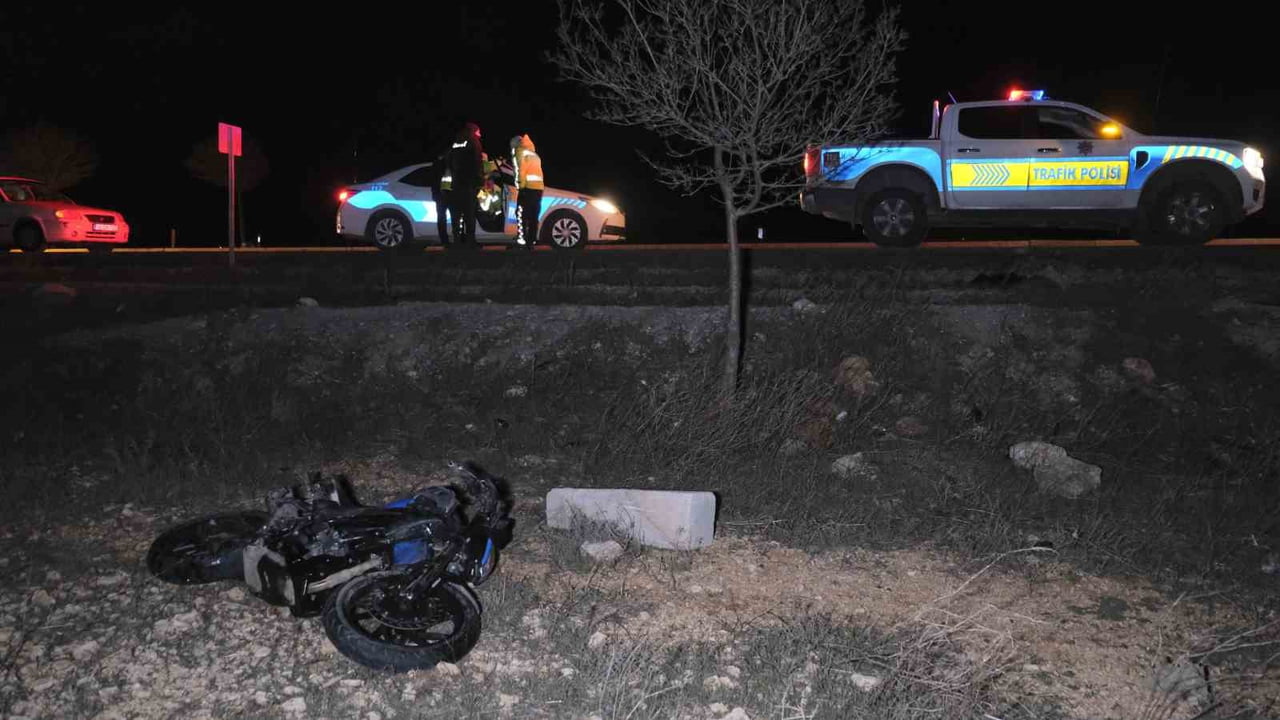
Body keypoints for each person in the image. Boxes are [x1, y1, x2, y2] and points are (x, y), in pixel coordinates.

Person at [446, 122, 484, 246]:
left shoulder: (456, 141)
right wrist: (479, 181)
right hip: (469, 183)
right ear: (474, 131)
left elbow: (449, 161)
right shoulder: (474, 142)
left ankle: (457, 239)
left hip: (456, 183)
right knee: (469, 213)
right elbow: (477, 163)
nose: (479, 135)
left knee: (456, 214)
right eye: (478, 132)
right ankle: (470, 241)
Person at [510, 133, 544, 247]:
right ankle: (531, 240)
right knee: (534, 216)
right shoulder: (534, 154)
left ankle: (522, 240)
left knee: (521, 214)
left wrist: (521, 187)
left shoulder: (520, 152)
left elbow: (521, 172)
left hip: (527, 188)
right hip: (538, 189)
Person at [431, 147, 452, 246]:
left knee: (443, 218)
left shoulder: (440, 164)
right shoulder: (442, 165)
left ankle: (447, 240)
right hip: (443, 195)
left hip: (445, 194)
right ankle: (445, 240)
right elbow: (436, 180)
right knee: (443, 218)